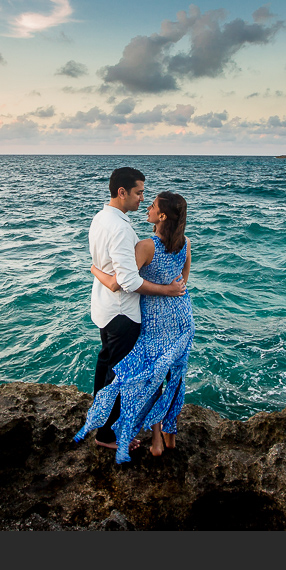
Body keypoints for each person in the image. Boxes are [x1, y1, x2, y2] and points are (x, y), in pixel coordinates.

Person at [75, 190, 194, 463]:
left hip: (154, 320)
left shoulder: (146, 246)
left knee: (150, 376)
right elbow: (183, 281)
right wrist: (170, 288)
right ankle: (170, 436)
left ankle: (155, 441)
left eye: (152, 205)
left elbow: (119, 282)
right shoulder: (185, 243)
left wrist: (94, 268)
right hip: (182, 315)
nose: (147, 207)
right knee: (175, 375)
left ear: (161, 216)